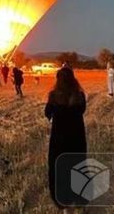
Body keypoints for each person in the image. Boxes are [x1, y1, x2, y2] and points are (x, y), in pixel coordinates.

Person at [45, 68, 87, 209]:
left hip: (59, 139)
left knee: (59, 169)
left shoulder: (53, 96)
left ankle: (64, 204)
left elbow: (47, 113)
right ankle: (79, 200)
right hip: (77, 137)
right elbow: (82, 110)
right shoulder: (79, 95)